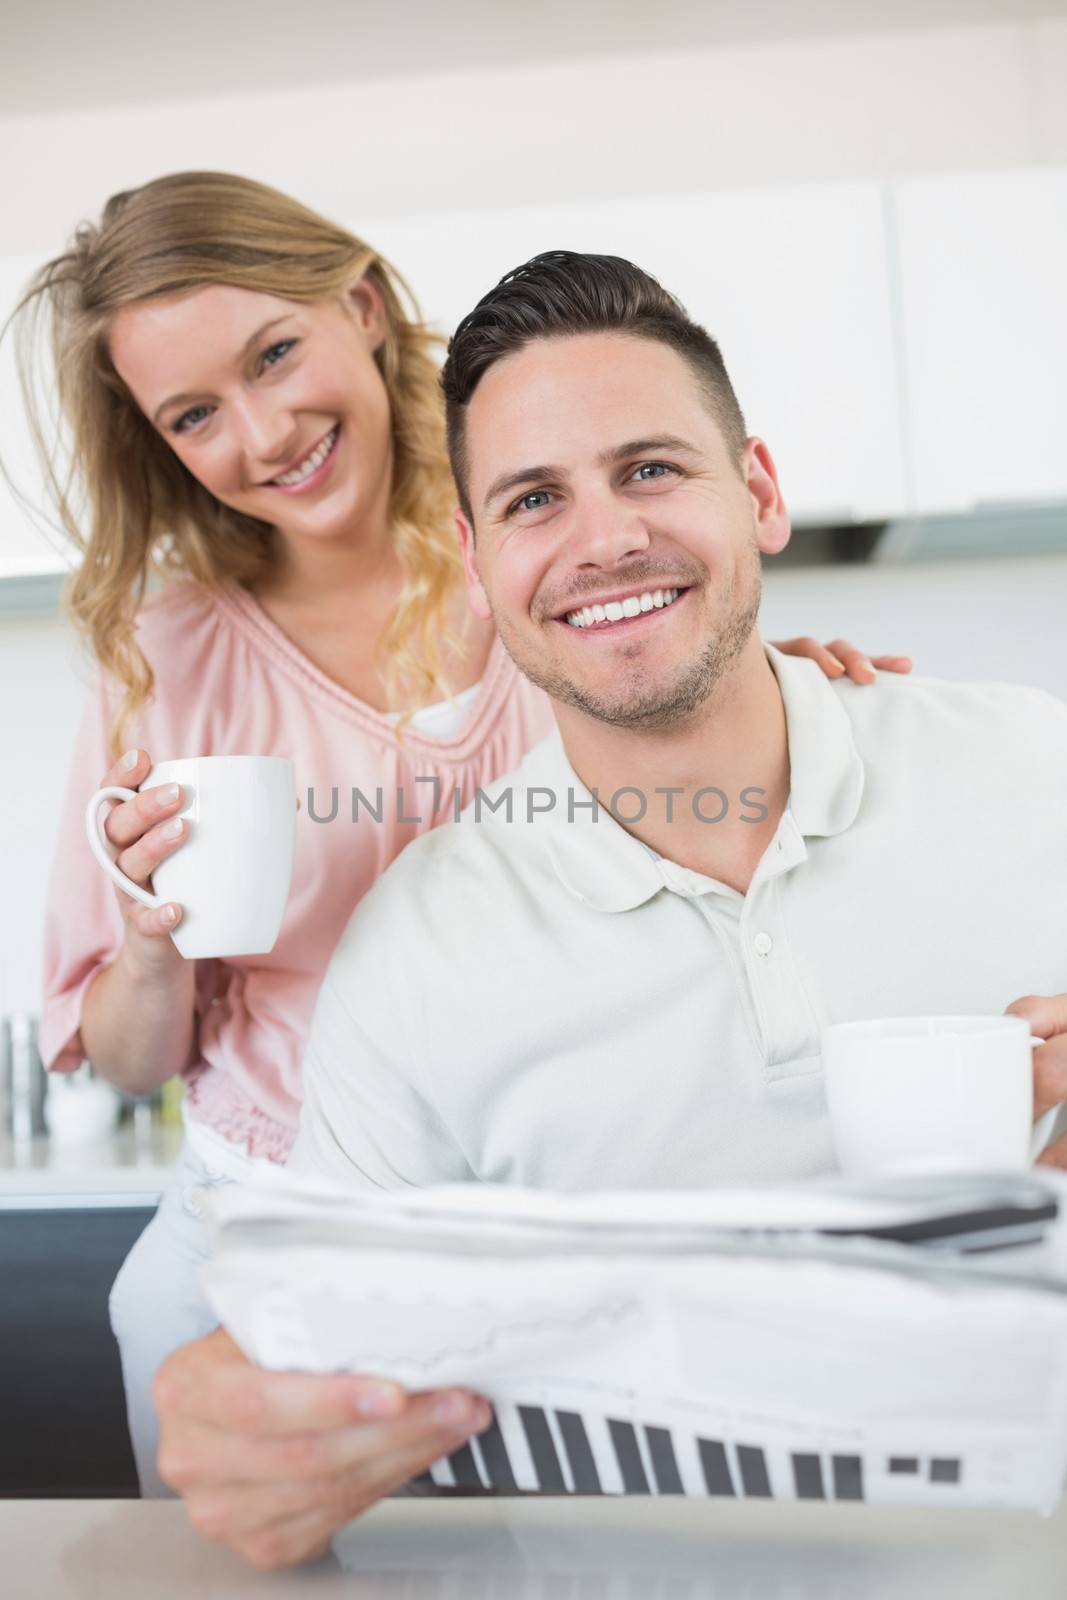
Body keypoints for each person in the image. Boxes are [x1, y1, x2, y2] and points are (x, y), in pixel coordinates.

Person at [151, 250, 1067, 1569]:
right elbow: (326, 1365)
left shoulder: (1037, 771)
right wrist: (263, 1433)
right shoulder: (416, 954)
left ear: (757, 491)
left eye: (650, 469)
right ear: (475, 562)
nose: (606, 539)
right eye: (535, 498)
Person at [17, 177, 898, 1498]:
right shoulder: (167, 661)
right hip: (264, 1221)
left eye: (276, 355)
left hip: (549, 1206)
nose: (264, 433)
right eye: (195, 414)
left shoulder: (548, 570)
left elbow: (700, 743)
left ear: (362, 309)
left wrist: (780, 692)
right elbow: (127, 1058)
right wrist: (148, 942)